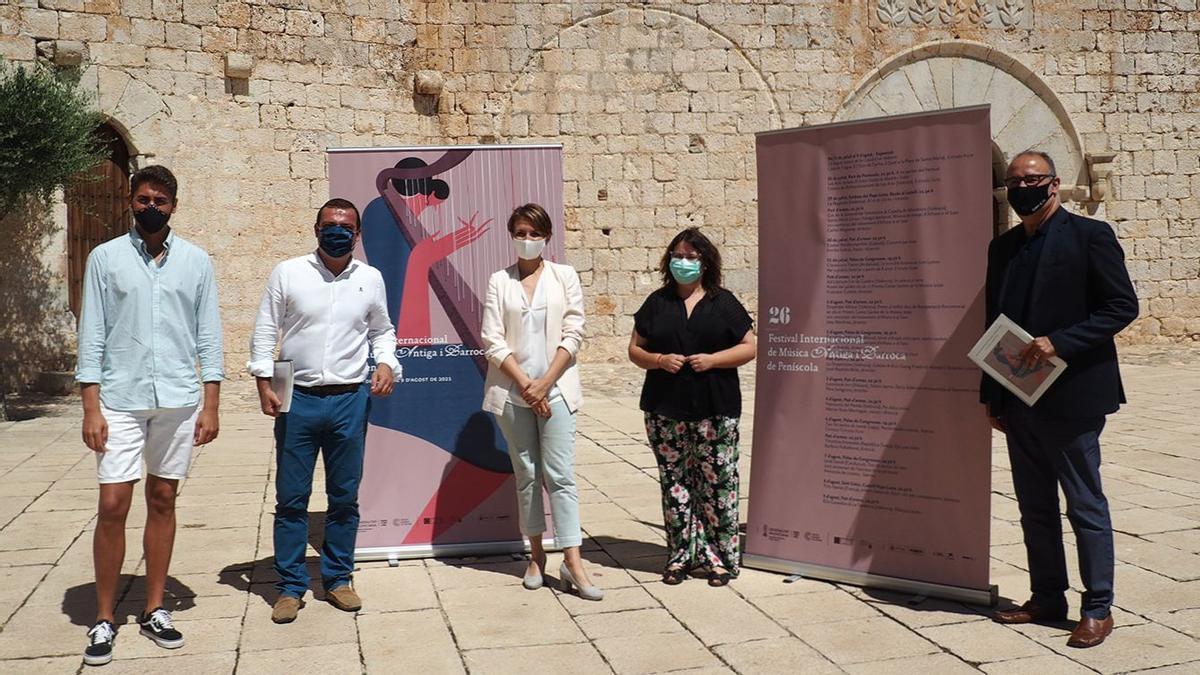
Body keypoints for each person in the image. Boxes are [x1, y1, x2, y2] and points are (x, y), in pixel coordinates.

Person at [983, 150, 1138, 648]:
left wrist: (1061, 342)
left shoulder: (1090, 236)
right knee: (1034, 507)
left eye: (1032, 180)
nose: (1022, 188)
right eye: (1014, 181)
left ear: (1053, 184)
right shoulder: (1003, 247)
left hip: (1073, 396)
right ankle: (1047, 597)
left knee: (1084, 504)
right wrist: (992, 396)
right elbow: (993, 322)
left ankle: (1098, 608)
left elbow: (1122, 306)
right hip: (1019, 396)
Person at [76, 165, 224, 666]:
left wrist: (211, 403)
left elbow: (209, 336)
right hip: (120, 398)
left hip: (178, 400)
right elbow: (92, 334)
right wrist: (90, 407)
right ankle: (103, 616)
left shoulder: (196, 262)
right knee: (113, 502)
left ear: (174, 206)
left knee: (163, 498)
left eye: (160, 201)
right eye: (143, 199)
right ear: (131, 202)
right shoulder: (105, 258)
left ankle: (155, 607)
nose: (151, 208)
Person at [249, 198, 400, 623]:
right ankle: (290, 586)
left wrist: (386, 362)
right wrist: (263, 381)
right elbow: (265, 328)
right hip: (297, 398)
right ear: (316, 229)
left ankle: (337, 579)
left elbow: (382, 330)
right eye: (330, 224)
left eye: (346, 226)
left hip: (349, 399)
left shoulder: (370, 278)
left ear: (357, 234)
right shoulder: (288, 272)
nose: (338, 231)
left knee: (344, 496)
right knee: (291, 497)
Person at [480, 203, 601, 601]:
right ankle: (535, 557)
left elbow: (574, 329)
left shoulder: (564, 276)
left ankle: (573, 560)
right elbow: (492, 338)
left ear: (547, 236)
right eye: (521, 233)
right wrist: (525, 385)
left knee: (560, 474)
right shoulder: (500, 281)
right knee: (528, 474)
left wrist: (545, 383)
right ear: (511, 236)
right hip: (512, 391)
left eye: (534, 233)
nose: (527, 240)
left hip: (558, 388)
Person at [628, 227, 756, 586]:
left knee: (718, 484)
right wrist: (658, 360)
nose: (683, 262)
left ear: (705, 262)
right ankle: (680, 556)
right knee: (675, 484)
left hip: (715, 408)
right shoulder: (657, 302)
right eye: (678, 256)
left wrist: (713, 360)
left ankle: (719, 559)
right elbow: (635, 349)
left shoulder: (723, 302)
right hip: (665, 409)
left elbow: (750, 346)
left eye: (691, 256)